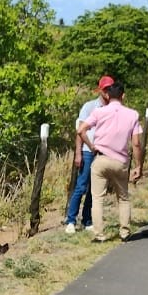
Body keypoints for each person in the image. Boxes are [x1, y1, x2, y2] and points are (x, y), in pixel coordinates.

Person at [77, 81, 142, 242]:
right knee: (123, 198)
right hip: (120, 161)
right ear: (123, 96)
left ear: (108, 95)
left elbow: (81, 130)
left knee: (97, 198)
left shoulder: (99, 112)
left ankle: (99, 234)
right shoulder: (132, 114)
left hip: (100, 158)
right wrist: (138, 165)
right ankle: (125, 232)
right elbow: (136, 143)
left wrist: (91, 145)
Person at [64, 76, 114, 234]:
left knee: (96, 187)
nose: (108, 92)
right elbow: (80, 131)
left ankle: (87, 220)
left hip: (103, 152)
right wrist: (78, 153)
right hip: (88, 151)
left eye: (110, 89)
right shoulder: (89, 106)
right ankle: (71, 220)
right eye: (105, 89)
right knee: (81, 185)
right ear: (100, 90)